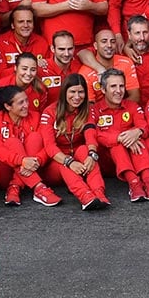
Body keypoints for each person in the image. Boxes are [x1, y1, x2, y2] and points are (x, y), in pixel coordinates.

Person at [39, 73, 109, 210]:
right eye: (72, 92)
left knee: (85, 150)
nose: (77, 97)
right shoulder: (50, 112)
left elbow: (90, 134)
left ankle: (99, 194)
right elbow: (49, 146)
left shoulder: (86, 109)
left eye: (81, 92)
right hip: (57, 163)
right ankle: (85, 196)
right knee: (63, 164)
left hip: (78, 159)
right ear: (64, 92)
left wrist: (92, 154)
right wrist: (69, 162)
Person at [92, 68, 149, 201]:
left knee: (139, 140)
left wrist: (137, 132)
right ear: (103, 89)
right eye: (113, 86)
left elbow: (144, 126)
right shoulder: (94, 110)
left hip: (131, 159)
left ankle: (148, 182)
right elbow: (94, 134)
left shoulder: (132, 106)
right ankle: (134, 183)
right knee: (117, 144)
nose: (119, 91)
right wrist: (120, 137)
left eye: (121, 86)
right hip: (105, 162)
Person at [0, 85, 61, 207]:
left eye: (27, 100)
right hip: (4, 172)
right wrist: (22, 161)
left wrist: (37, 160)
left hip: (34, 167)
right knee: (12, 142)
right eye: (21, 103)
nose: (26, 105)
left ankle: (15, 186)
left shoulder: (36, 117)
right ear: (7, 106)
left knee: (35, 137)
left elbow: (48, 145)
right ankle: (38, 187)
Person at [0, 6, 50, 81]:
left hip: (34, 86)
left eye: (29, 21)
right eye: (21, 22)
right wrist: (32, 66)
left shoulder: (41, 42)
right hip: (10, 88)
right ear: (13, 25)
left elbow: (47, 72)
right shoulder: (0, 42)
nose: (26, 25)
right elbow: (1, 75)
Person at [41, 30, 78, 106]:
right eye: (61, 49)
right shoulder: (40, 69)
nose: (66, 54)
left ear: (74, 48)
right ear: (52, 49)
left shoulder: (79, 66)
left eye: (70, 49)